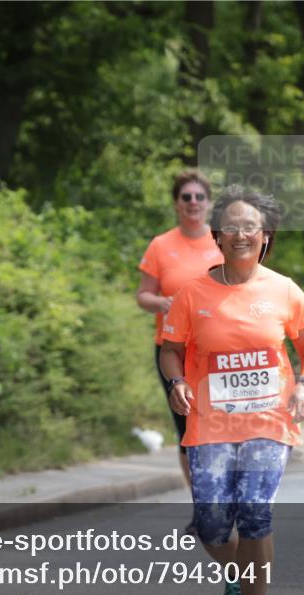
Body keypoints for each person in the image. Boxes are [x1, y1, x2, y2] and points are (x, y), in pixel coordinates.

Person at [160, 185, 304, 595]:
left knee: (255, 514)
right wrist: (177, 383)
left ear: (265, 235)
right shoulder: (192, 294)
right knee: (211, 524)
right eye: (230, 226)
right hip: (210, 425)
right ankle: (235, 573)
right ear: (216, 235)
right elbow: (170, 351)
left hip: (268, 422)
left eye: (249, 226)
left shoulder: (284, 290)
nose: (240, 234)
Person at [137, 170, 221, 485]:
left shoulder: (222, 241)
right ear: (176, 204)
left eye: (200, 196)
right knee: (186, 424)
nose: (193, 202)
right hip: (173, 348)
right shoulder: (160, 245)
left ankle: (224, 497)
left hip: (215, 348)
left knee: (219, 422)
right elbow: (143, 295)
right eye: (186, 197)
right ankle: (201, 503)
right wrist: (161, 303)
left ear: (209, 203)